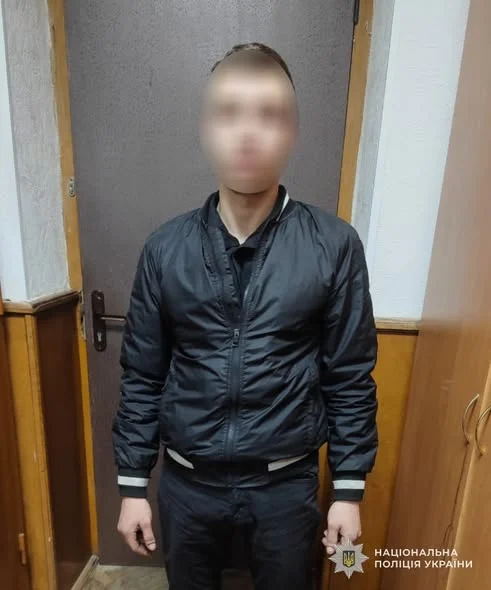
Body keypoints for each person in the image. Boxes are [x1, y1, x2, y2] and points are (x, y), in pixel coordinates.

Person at [112, 42, 378, 589]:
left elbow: (349, 375)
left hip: (286, 485)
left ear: (292, 131)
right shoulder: (165, 248)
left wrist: (348, 489)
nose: (248, 132)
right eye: (229, 113)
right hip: (187, 483)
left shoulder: (334, 245)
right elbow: (143, 373)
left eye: (270, 114)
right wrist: (133, 483)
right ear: (205, 129)